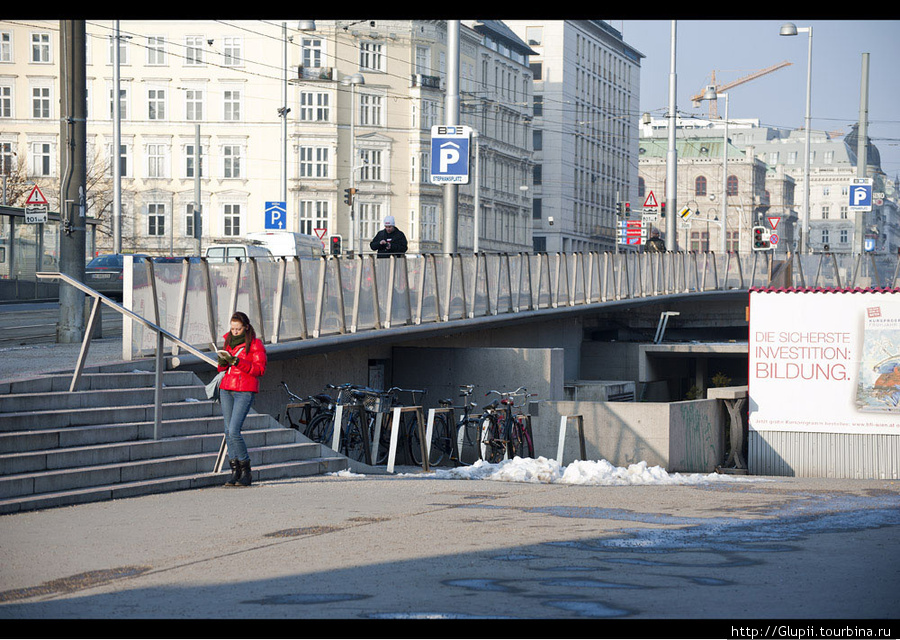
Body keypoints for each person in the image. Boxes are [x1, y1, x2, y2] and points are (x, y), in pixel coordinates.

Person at [218, 311, 267, 487]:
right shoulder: (228, 341)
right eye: (232, 328)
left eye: (238, 329)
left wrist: (237, 362)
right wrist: (223, 361)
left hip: (244, 390)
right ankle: (235, 471)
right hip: (226, 388)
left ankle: (246, 470)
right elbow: (221, 368)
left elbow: (259, 369)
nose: (234, 332)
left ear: (245, 327)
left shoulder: (255, 344)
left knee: (234, 431)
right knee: (227, 432)